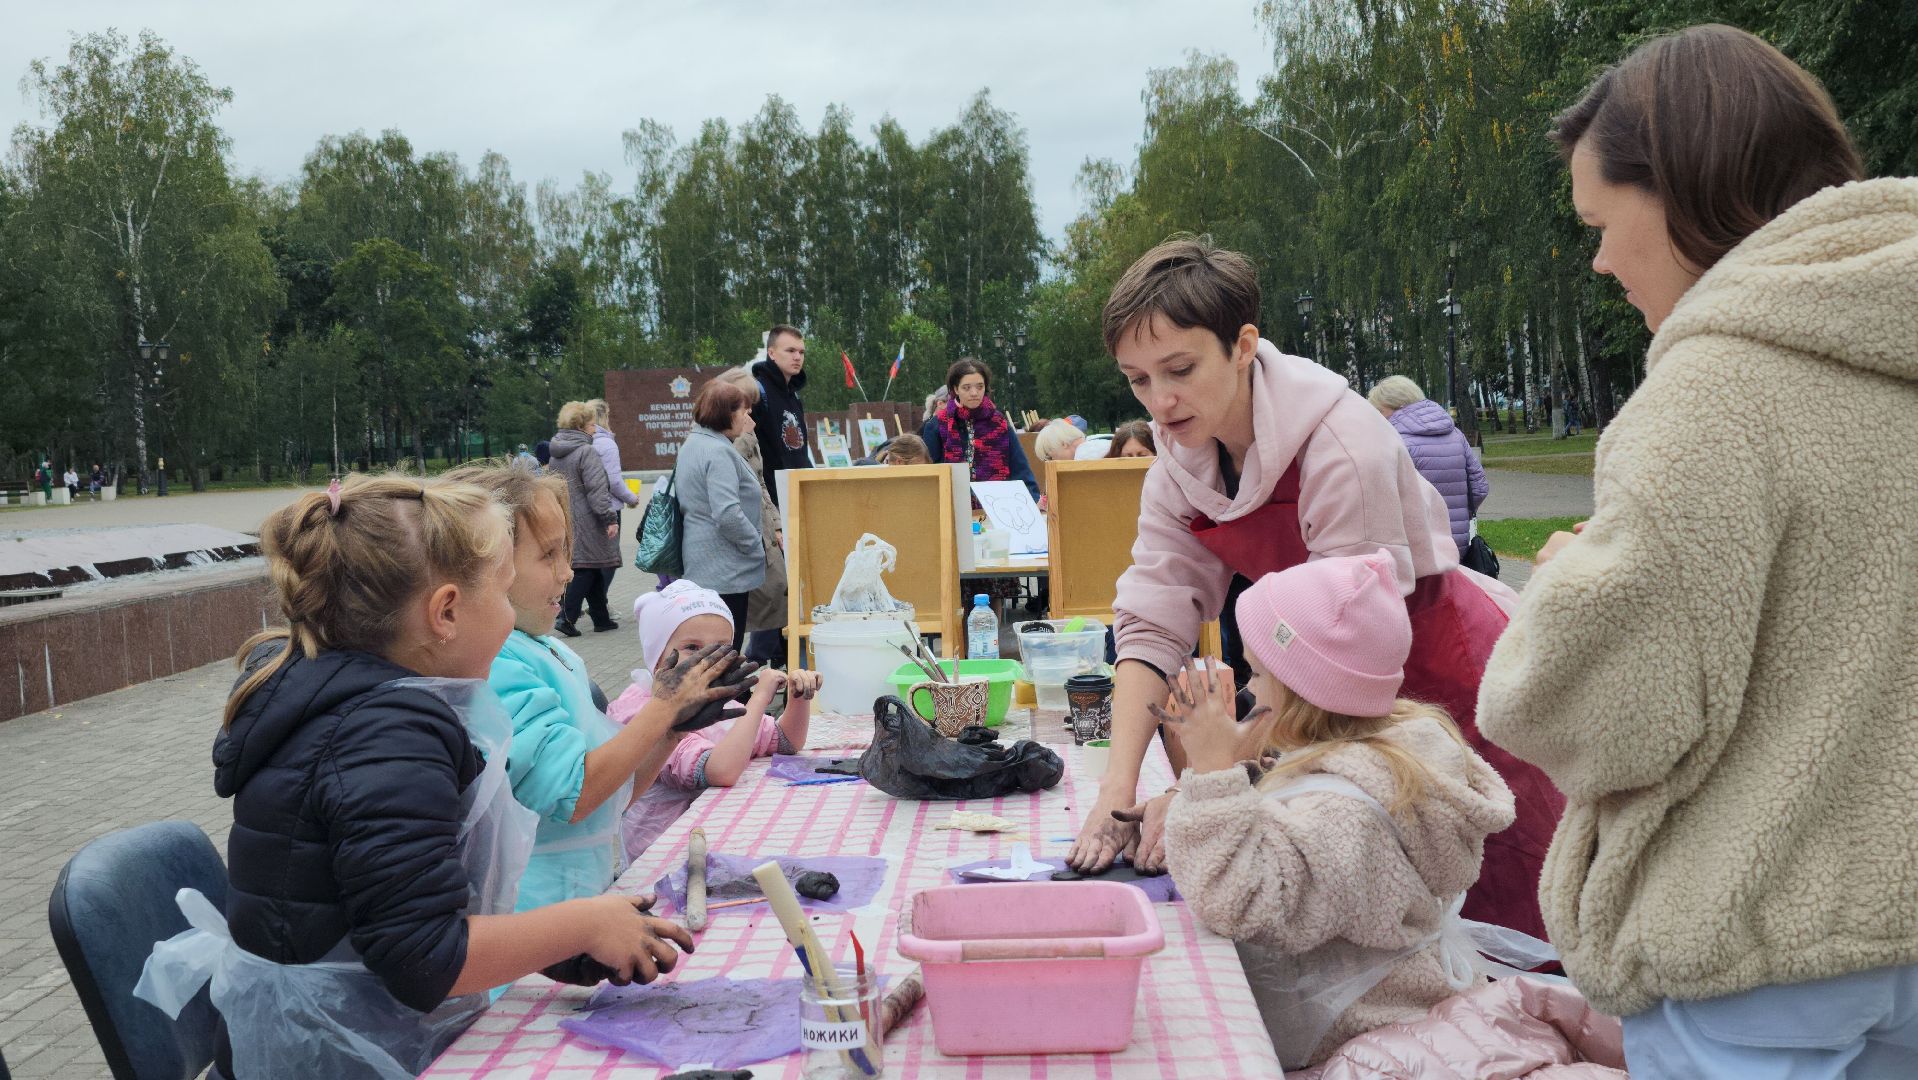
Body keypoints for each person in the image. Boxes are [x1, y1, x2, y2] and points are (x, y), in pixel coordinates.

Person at [1478, 25, 1918, 1078]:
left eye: (1600, 219)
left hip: (1754, 948)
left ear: (1675, 187)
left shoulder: (1710, 395)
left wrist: (1565, 589)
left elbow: (1599, 715)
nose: (1596, 259)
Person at [1066, 237, 1560, 948]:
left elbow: (1336, 649)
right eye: (1137, 380)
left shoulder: (1339, 444)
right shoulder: (1177, 462)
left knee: (1491, 891)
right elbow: (1152, 623)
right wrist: (1117, 794)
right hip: (1308, 684)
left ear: (1242, 345)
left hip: (1436, 669)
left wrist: (1209, 782)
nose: (1160, 402)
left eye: (1179, 369)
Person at [190, 474, 698, 1077]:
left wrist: (562, 948)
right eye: (505, 593)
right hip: (336, 1056)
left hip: (344, 1033)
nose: (513, 615)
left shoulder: (361, 708)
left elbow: (396, 915)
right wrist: (582, 920)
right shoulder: (385, 736)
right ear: (447, 613)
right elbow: (422, 956)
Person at [1161, 552, 1516, 1069]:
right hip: (1399, 1020)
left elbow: (1234, 899)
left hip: (1357, 1047)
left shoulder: (1340, 814)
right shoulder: (1383, 760)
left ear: (1305, 691)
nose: (1248, 689)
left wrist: (1213, 772)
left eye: (1259, 673)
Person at [607, 581, 821, 857]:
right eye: (692, 647)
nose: (707, 660)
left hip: (719, 843)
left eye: (721, 648)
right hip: (663, 857)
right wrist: (758, 700)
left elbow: (784, 740)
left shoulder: (716, 699)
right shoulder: (638, 713)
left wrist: (799, 696)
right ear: (657, 656)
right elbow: (720, 771)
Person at [675, 379, 767, 647]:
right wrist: (754, 545)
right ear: (727, 413)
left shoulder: (694, 443)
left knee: (712, 651)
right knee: (727, 650)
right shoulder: (718, 452)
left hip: (702, 564)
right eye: (743, 411)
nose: (747, 417)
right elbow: (727, 513)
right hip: (726, 570)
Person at [713, 366, 788, 668]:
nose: (750, 412)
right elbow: (732, 471)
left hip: (763, 531)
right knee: (750, 608)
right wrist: (744, 437)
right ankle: (748, 667)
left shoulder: (747, 429)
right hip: (742, 538)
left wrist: (778, 524)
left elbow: (760, 483)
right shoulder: (719, 437)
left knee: (775, 597)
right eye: (745, 404)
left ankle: (760, 664)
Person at [1369, 376, 1489, 556]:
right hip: (1458, 543)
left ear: (1397, 405)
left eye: (1379, 410)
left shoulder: (1395, 441)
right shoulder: (1456, 434)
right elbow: (1480, 488)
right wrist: (1460, 513)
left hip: (1415, 545)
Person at [547, 402, 622, 637]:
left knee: (593, 567)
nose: (595, 428)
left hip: (568, 516)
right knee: (584, 570)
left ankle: (601, 618)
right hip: (590, 519)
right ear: (580, 426)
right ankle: (565, 617)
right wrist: (609, 518)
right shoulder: (586, 451)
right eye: (591, 424)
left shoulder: (556, 452)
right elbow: (597, 490)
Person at [919, 358, 1040, 498]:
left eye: (980, 386)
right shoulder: (936, 426)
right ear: (955, 389)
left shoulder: (1000, 424)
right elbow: (929, 478)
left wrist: (1033, 500)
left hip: (998, 507)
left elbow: (1021, 470)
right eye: (966, 387)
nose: (974, 393)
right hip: (952, 509)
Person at [749, 324, 810, 504]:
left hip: (797, 496)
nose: (797, 357)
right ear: (772, 353)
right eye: (790, 350)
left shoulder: (794, 396)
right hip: (770, 501)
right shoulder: (757, 393)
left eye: (801, 352)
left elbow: (800, 452)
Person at [589, 399, 642, 515]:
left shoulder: (583, 441)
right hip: (609, 508)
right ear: (603, 417)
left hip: (588, 508)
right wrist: (632, 498)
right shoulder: (607, 444)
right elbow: (613, 482)